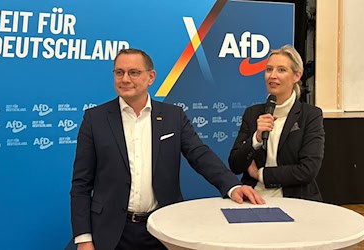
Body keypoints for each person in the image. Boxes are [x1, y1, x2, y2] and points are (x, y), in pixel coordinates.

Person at [70, 48, 265, 250]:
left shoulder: (173, 116)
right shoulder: (95, 119)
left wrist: (232, 186)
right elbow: (81, 184)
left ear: (151, 77)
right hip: (111, 232)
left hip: (162, 227)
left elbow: (200, 155)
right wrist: (84, 239)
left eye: (134, 72)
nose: (125, 79)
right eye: (119, 72)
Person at [228, 45, 325, 201]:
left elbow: (308, 170)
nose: (272, 76)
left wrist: (261, 175)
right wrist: (256, 139)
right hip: (254, 199)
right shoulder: (253, 113)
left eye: (281, 70)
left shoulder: (310, 115)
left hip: (295, 200)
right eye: (268, 70)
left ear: (296, 76)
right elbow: (234, 164)